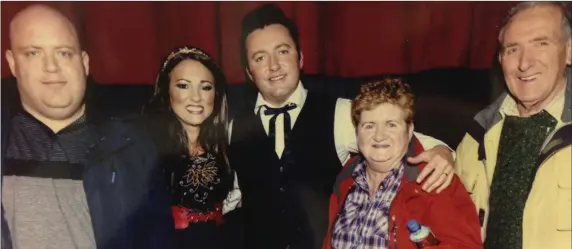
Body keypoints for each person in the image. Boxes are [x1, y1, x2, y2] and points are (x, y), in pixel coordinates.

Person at [225, 4, 457, 249]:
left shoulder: (340, 113)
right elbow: (237, 192)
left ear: (300, 57)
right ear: (249, 72)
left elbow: (410, 140)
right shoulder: (233, 128)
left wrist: (443, 153)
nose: (274, 66)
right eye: (260, 58)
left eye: (283, 52)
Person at [1, 4, 174, 249]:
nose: (51, 66)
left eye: (64, 53)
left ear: (84, 62)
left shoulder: (132, 148)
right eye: (33, 53)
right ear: (12, 63)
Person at [455, 2, 572, 249]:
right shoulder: (477, 136)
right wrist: (442, 154)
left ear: (569, 51)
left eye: (541, 44)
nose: (524, 63)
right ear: (500, 59)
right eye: (512, 49)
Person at [322, 78, 482, 249]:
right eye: (369, 126)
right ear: (357, 132)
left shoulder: (435, 180)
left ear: (410, 130)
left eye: (391, 125)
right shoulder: (346, 179)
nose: (379, 136)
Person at [140, 45, 234, 249]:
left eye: (206, 87)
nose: (196, 97)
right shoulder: (147, 151)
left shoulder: (228, 147)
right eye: (184, 85)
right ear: (167, 92)